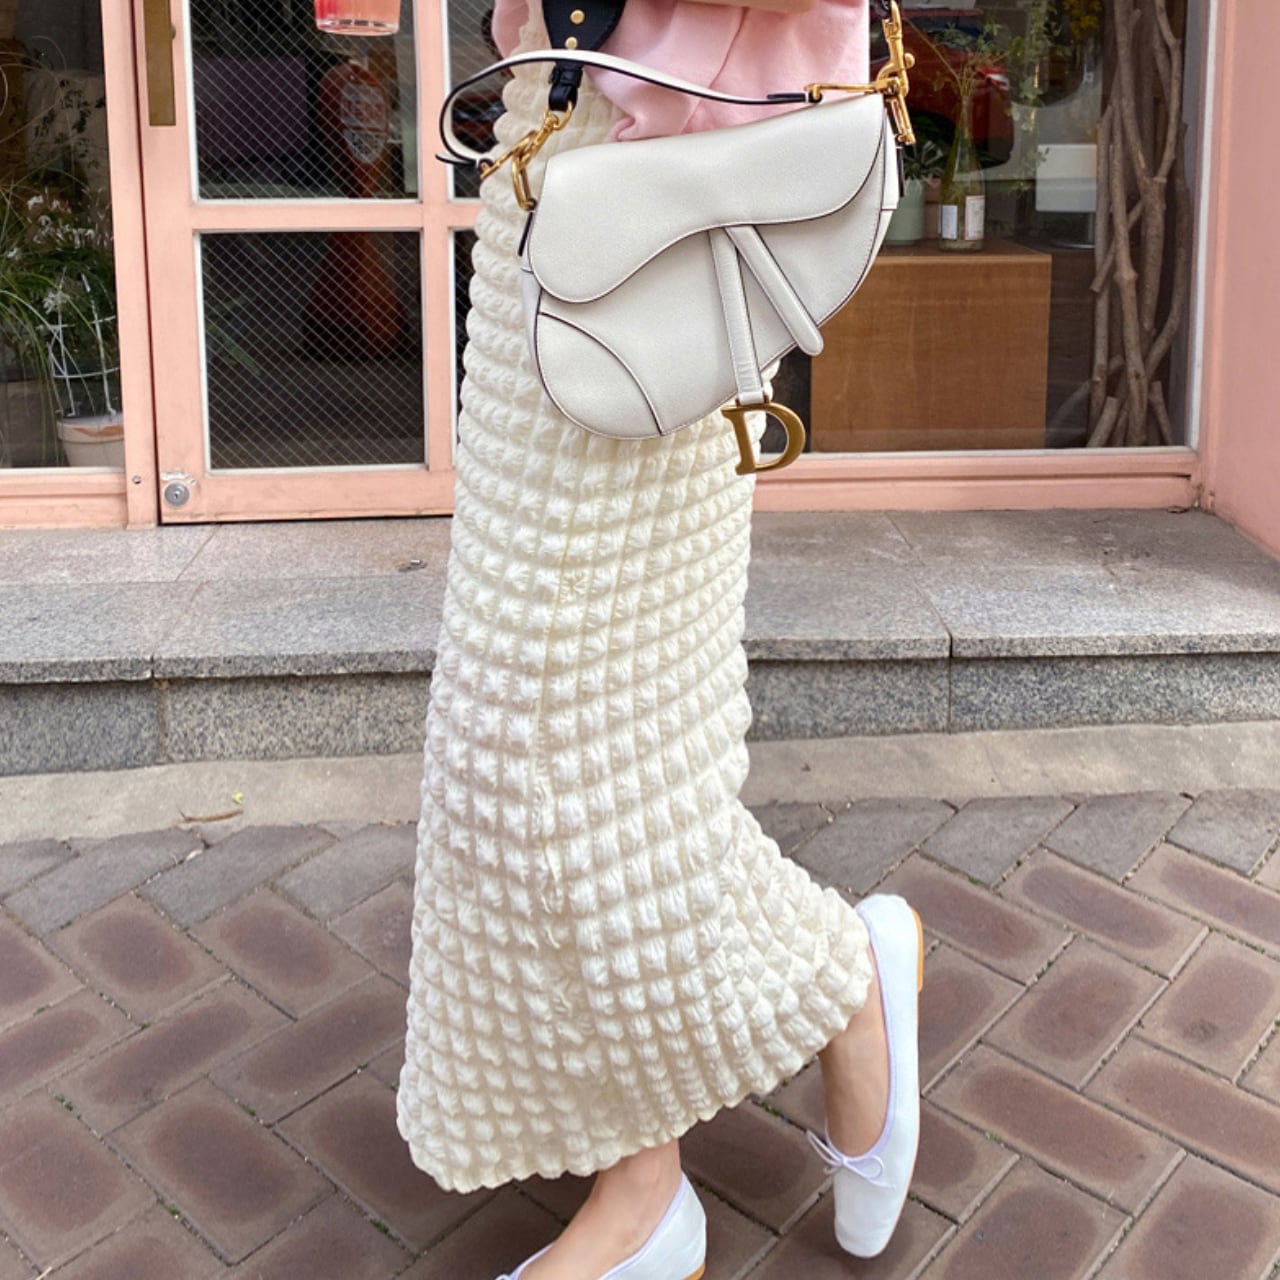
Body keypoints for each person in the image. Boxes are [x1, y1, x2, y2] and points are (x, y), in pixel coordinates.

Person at [394, 1, 923, 1276]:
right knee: (515, 739)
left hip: (684, 190)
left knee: (579, 734)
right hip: (549, 151)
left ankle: (832, 982)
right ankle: (648, 1169)